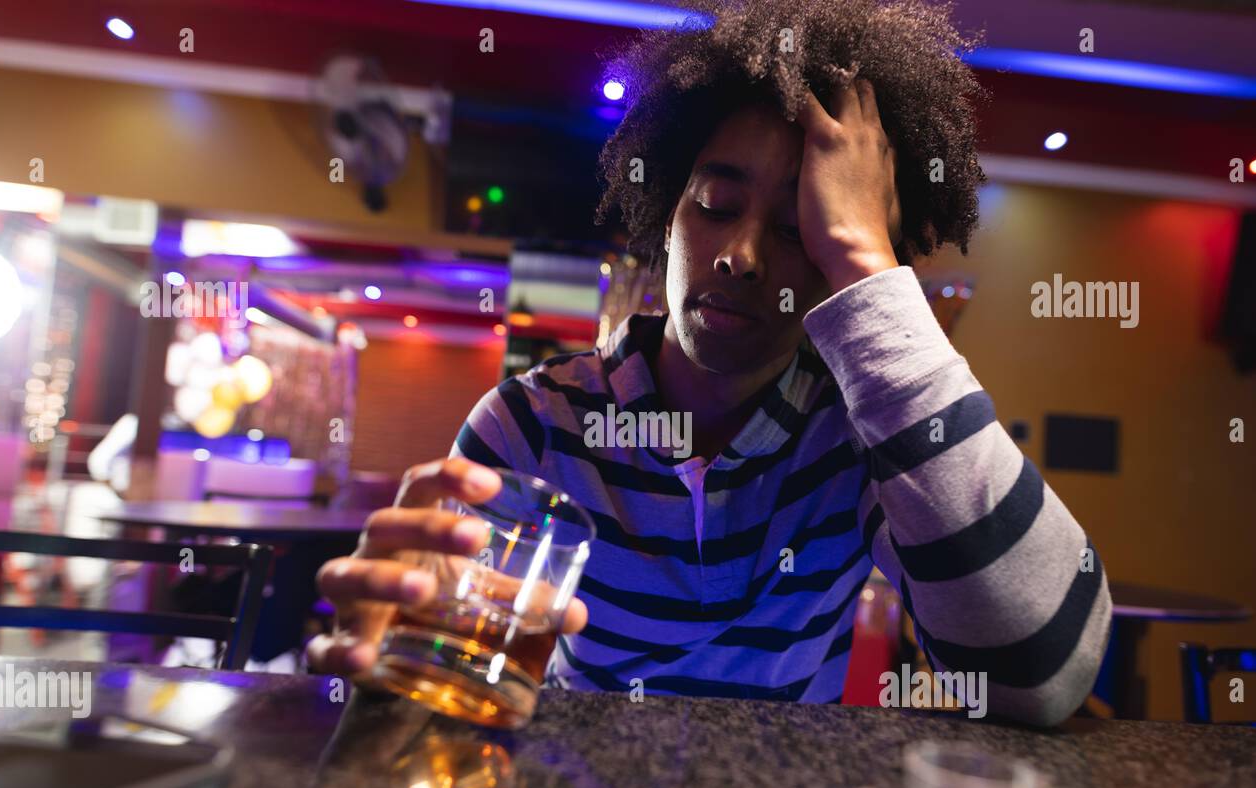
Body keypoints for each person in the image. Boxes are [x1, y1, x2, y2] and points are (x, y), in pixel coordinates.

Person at [310, 0, 1112, 726]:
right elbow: (434, 670)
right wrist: (387, 654)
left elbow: (1040, 674)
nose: (739, 255)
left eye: (804, 228)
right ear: (665, 217)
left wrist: (872, 270)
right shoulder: (531, 423)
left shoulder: (861, 439)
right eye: (716, 205)